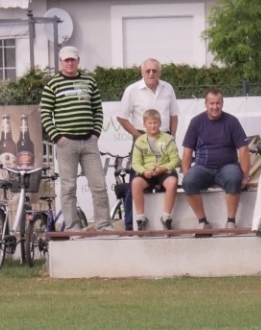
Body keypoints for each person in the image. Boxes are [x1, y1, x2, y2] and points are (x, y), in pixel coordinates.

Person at [39, 45, 108, 230]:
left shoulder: (89, 82)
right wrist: (57, 137)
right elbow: (45, 112)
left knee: (99, 185)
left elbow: (97, 110)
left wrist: (95, 134)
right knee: (68, 188)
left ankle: (104, 225)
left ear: (78, 61)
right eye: (66, 60)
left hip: (89, 142)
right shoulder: (53, 84)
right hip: (66, 143)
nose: (69, 63)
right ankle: (72, 227)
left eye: (72, 59)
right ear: (61, 62)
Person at [180, 89, 251, 229]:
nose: (215, 107)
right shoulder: (196, 122)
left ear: (222, 104)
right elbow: (187, 151)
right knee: (188, 182)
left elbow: (244, 150)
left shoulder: (232, 121)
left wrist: (245, 176)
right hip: (202, 167)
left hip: (228, 166)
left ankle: (231, 221)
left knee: (233, 179)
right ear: (205, 104)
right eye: (211, 103)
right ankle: (202, 222)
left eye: (218, 103)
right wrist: (185, 173)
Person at [128, 108, 180, 229]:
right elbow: (135, 163)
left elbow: (175, 160)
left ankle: (166, 218)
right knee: (135, 183)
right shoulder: (140, 141)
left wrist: (163, 168)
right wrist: (144, 171)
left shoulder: (168, 139)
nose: (153, 126)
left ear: (160, 123)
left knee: (172, 183)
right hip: (148, 173)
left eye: (155, 123)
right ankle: (141, 219)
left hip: (164, 171)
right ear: (144, 124)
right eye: (150, 123)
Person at [117, 59, 178, 141]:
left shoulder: (168, 88)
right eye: (148, 71)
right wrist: (138, 136)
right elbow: (122, 117)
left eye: (154, 71)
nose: (151, 74)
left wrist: (172, 136)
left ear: (160, 73)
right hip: (142, 137)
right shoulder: (132, 90)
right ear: (142, 72)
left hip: (165, 138)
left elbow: (173, 116)